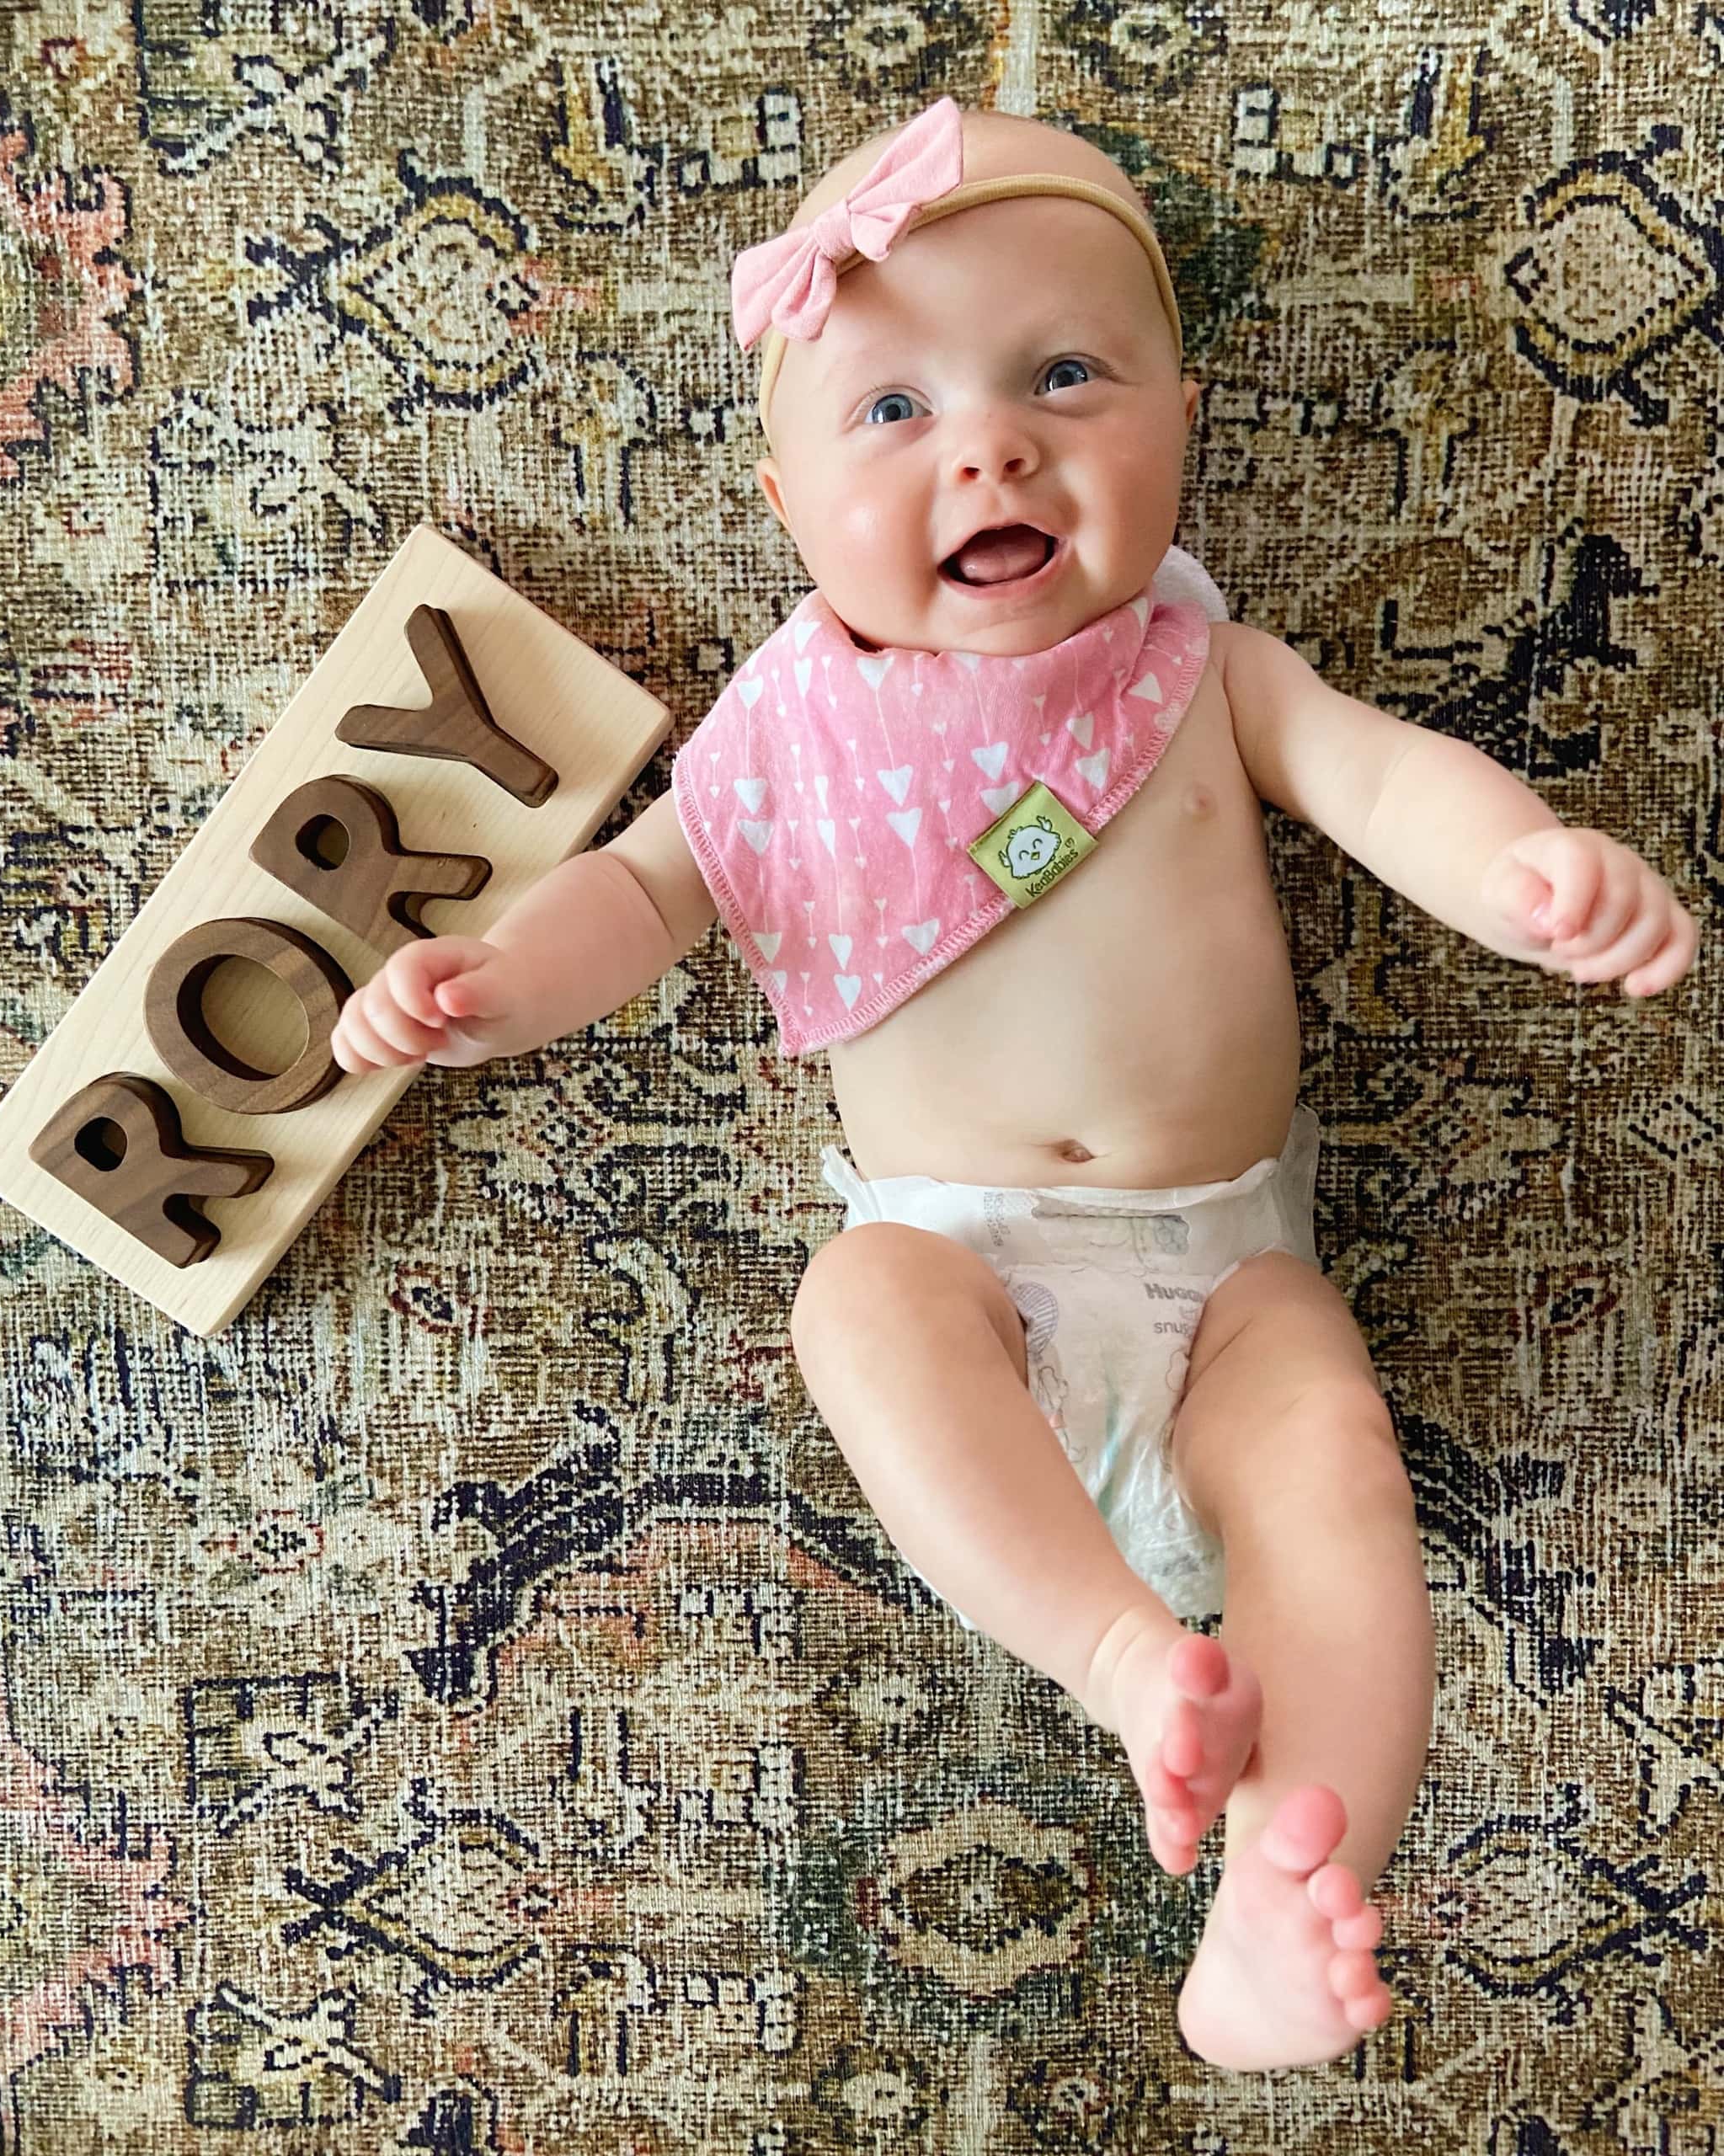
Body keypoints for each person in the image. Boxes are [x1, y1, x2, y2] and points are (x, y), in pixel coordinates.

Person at [328, 97, 1699, 2070]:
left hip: (1228, 1264)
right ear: (787, 506)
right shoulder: (786, 730)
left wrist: (1521, 872)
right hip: (962, 1260)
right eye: (890, 410)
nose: (989, 442)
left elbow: (1378, 770)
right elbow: (644, 892)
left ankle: (1275, 1890)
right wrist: (489, 983)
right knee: (850, 1303)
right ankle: (1127, 1654)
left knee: (1331, 1474)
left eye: (1065, 375)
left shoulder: (1198, 661)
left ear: (1180, 419)